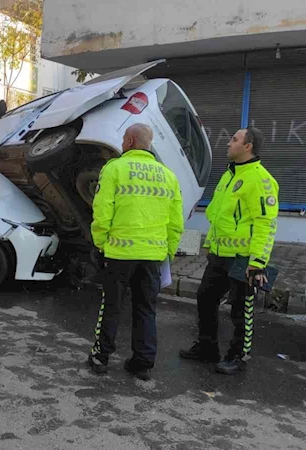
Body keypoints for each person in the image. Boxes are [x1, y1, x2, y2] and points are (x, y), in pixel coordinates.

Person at [87, 123, 184, 381]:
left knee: (112, 306)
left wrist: (100, 243)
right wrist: (168, 252)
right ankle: (142, 363)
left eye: (123, 139)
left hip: (119, 254)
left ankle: (101, 356)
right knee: (146, 309)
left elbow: (102, 211)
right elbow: (176, 223)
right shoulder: (168, 176)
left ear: (129, 141)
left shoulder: (114, 169)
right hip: (153, 256)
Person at [179, 127, 279, 375]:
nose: (228, 142)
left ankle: (238, 356)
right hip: (219, 255)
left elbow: (265, 224)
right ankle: (207, 347)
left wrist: (257, 263)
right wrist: (209, 245)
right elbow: (219, 216)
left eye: (234, 139)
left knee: (240, 310)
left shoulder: (261, 180)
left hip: (242, 260)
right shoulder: (230, 174)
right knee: (205, 298)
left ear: (248, 146)